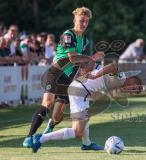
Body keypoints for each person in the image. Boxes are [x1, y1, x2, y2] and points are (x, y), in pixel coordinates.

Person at [22, 7, 96, 148]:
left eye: (86, 21)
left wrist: (87, 74)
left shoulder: (85, 40)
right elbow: (73, 58)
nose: (84, 23)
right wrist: (90, 59)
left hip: (68, 79)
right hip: (56, 73)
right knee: (47, 103)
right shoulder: (68, 35)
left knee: (57, 116)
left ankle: (50, 126)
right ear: (75, 20)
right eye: (81, 20)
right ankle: (29, 137)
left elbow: (79, 64)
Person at [31, 62, 143, 153]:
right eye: (133, 88)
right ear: (132, 79)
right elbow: (113, 66)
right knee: (77, 132)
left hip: (81, 90)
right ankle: (41, 138)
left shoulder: (120, 83)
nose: (130, 91)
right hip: (80, 91)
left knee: (85, 117)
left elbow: (103, 81)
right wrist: (95, 75)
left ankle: (87, 144)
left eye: (133, 92)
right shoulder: (122, 78)